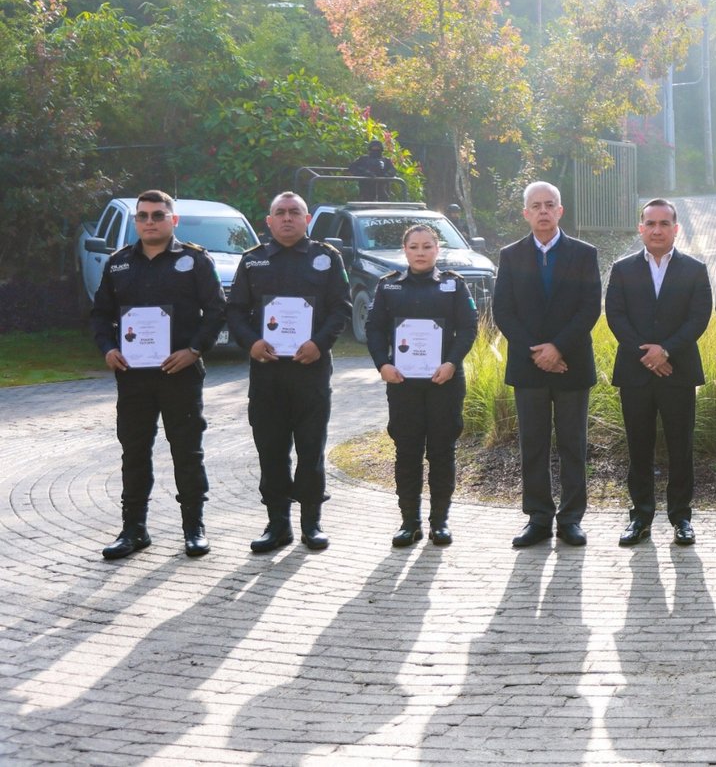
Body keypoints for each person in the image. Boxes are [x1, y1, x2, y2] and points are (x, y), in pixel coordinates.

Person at [90, 190, 227, 560]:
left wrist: (195, 350)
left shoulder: (195, 261)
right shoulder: (119, 263)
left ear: (173, 220)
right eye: (143, 216)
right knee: (134, 451)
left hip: (179, 373)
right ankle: (133, 530)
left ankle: (193, 528)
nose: (150, 222)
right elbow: (101, 314)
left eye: (158, 215)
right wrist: (108, 349)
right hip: (133, 376)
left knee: (186, 450)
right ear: (136, 221)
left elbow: (216, 311)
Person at [226, 191, 351, 552]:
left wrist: (320, 344)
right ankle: (277, 524)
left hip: (310, 371)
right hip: (267, 373)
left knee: (311, 448)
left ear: (307, 219)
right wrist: (250, 342)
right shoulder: (253, 262)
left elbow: (340, 308)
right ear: (268, 221)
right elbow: (234, 310)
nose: (286, 218)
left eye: (294, 212)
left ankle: (311, 523)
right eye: (279, 213)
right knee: (271, 449)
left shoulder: (326, 258)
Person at [494, 181, 602, 547]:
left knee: (573, 443)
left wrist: (557, 349)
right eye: (536, 205)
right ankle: (538, 518)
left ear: (560, 211)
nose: (543, 211)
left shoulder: (585, 254)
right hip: (528, 368)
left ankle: (571, 518)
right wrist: (538, 353)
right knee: (533, 445)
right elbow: (503, 311)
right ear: (525, 213)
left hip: (572, 364)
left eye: (549, 204)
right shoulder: (510, 256)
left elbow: (589, 308)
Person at [605, 199, 712, 547]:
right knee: (638, 447)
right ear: (641, 228)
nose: (657, 229)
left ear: (675, 229)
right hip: (635, 374)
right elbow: (616, 316)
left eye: (664, 223)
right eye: (650, 223)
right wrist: (648, 354)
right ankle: (640, 517)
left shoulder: (695, 269)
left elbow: (699, 317)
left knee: (680, 447)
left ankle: (681, 518)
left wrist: (665, 350)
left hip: (677, 372)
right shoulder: (622, 269)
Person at [365, 224, 478, 547]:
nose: (420, 252)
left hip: (444, 381)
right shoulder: (388, 287)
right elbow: (374, 329)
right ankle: (409, 523)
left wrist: (451, 362)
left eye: (427, 246)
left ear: (437, 250)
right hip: (403, 383)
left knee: (442, 451)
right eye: (414, 247)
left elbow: (468, 328)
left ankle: (439, 522)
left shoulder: (453, 286)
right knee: (407, 451)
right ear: (405, 250)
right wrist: (382, 364)